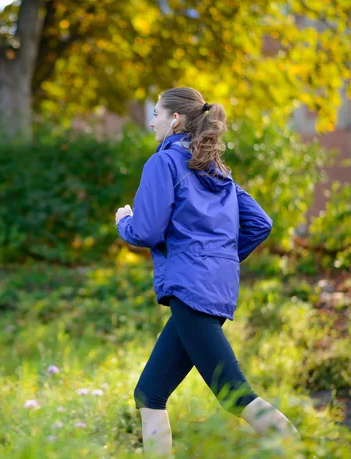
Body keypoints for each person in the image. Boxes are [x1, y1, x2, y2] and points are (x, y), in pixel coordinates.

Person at [114, 87, 300, 457]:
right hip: (212, 290)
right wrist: (219, 260)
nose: (151, 122)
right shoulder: (217, 171)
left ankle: (302, 449)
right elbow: (260, 223)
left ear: (175, 120)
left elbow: (148, 231)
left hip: (188, 288)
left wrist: (125, 222)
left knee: (235, 394)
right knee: (148, 393)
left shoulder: (163, 164)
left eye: (156, 113)